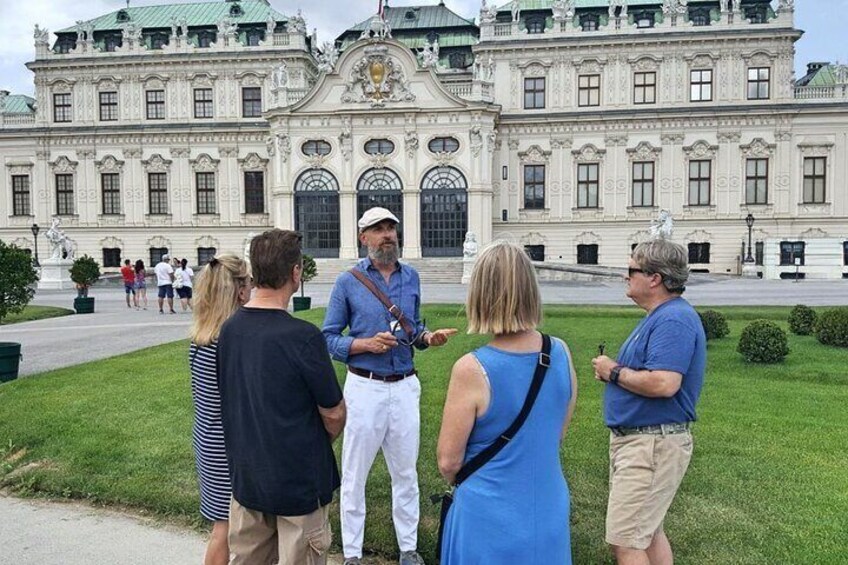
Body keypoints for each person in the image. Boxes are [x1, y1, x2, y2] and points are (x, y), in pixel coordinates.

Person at [323, 207, 457, 565]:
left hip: (405, 387)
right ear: (362, 237)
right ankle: (352, 553)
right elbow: (328, 338)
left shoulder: (410, 277)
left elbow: (411, 331)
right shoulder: (347, 282)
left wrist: (430, 338)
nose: (387, 235)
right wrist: (364, 344)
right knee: (355, 474)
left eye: (391, 228)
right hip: (364, 387)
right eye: (378, 229)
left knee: (405, 473)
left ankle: (408, 549)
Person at [436, 240, 577, 564]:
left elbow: (448, 462)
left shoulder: (472, 369)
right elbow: (556, 432)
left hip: (488, 518)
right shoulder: (560, 352)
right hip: (547, 507)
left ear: (481, 294)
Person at [218, 229, 346, 565]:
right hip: (298, 483)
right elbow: (334, 413)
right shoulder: (302, 337)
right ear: (295, 273)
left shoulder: (229, 330)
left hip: (248, 476)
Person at [591, 238, 707, 565]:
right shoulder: (661, 316)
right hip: (645, 441)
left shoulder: (673, 319)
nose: (625, 276)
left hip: (652, 443)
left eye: (631, 270)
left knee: (626, 541)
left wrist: (613, 371)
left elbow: (664, 382)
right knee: (648, 531)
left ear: (654, 278)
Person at [188, 253, 252, 565]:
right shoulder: (229, 339)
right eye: (249, 282)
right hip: (224, 444)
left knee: (223, 527)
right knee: (226, 529)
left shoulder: (203, 334)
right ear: (240, 290)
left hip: (207, 436)